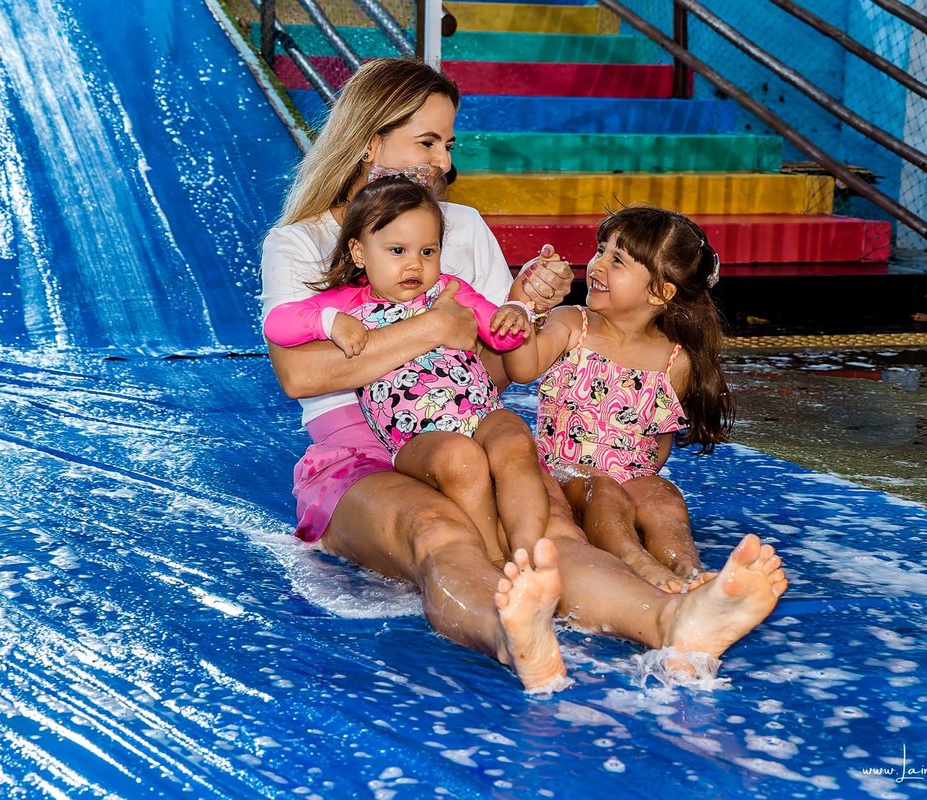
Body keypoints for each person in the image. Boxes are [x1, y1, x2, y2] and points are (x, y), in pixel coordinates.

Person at [261, 57, 789, 691]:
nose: (443, 162)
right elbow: (300, 374)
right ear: (370, 141)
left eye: (448, 143)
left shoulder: (460, 228)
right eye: (425, 142)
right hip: (360, 453)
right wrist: (428, 329)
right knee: (439, 533)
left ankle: (674, 618)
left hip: (467, 424)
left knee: (548, 534)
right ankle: (513, 635)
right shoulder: (302, 241)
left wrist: (519, 307)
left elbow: (494, 370)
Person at [264, 173, 548, 566]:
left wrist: (518, 313)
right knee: (459, 459)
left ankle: (532, 551)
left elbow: (501, 335)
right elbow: (278, 323)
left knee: (515, 437)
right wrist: (327, 322)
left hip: (480, 413)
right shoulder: (346, 305)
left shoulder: (450, 290)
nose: (415, 264)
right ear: (360, 253)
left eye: (427, 252)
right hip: (417, 436)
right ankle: (495, 558)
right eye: (398, 251)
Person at [505, 207, 729, 592]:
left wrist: (640, 488)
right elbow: (522, 369)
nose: (597, 265)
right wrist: (522, 307)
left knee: (665, 498)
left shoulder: (675, 361)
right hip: (563, 473)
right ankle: (636, 561)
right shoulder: (573, 324)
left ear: (660, 292)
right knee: (603, 491)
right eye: (600, 250)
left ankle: (687, 568)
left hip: (630, 476)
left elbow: (659, 441)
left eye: (617, 260)